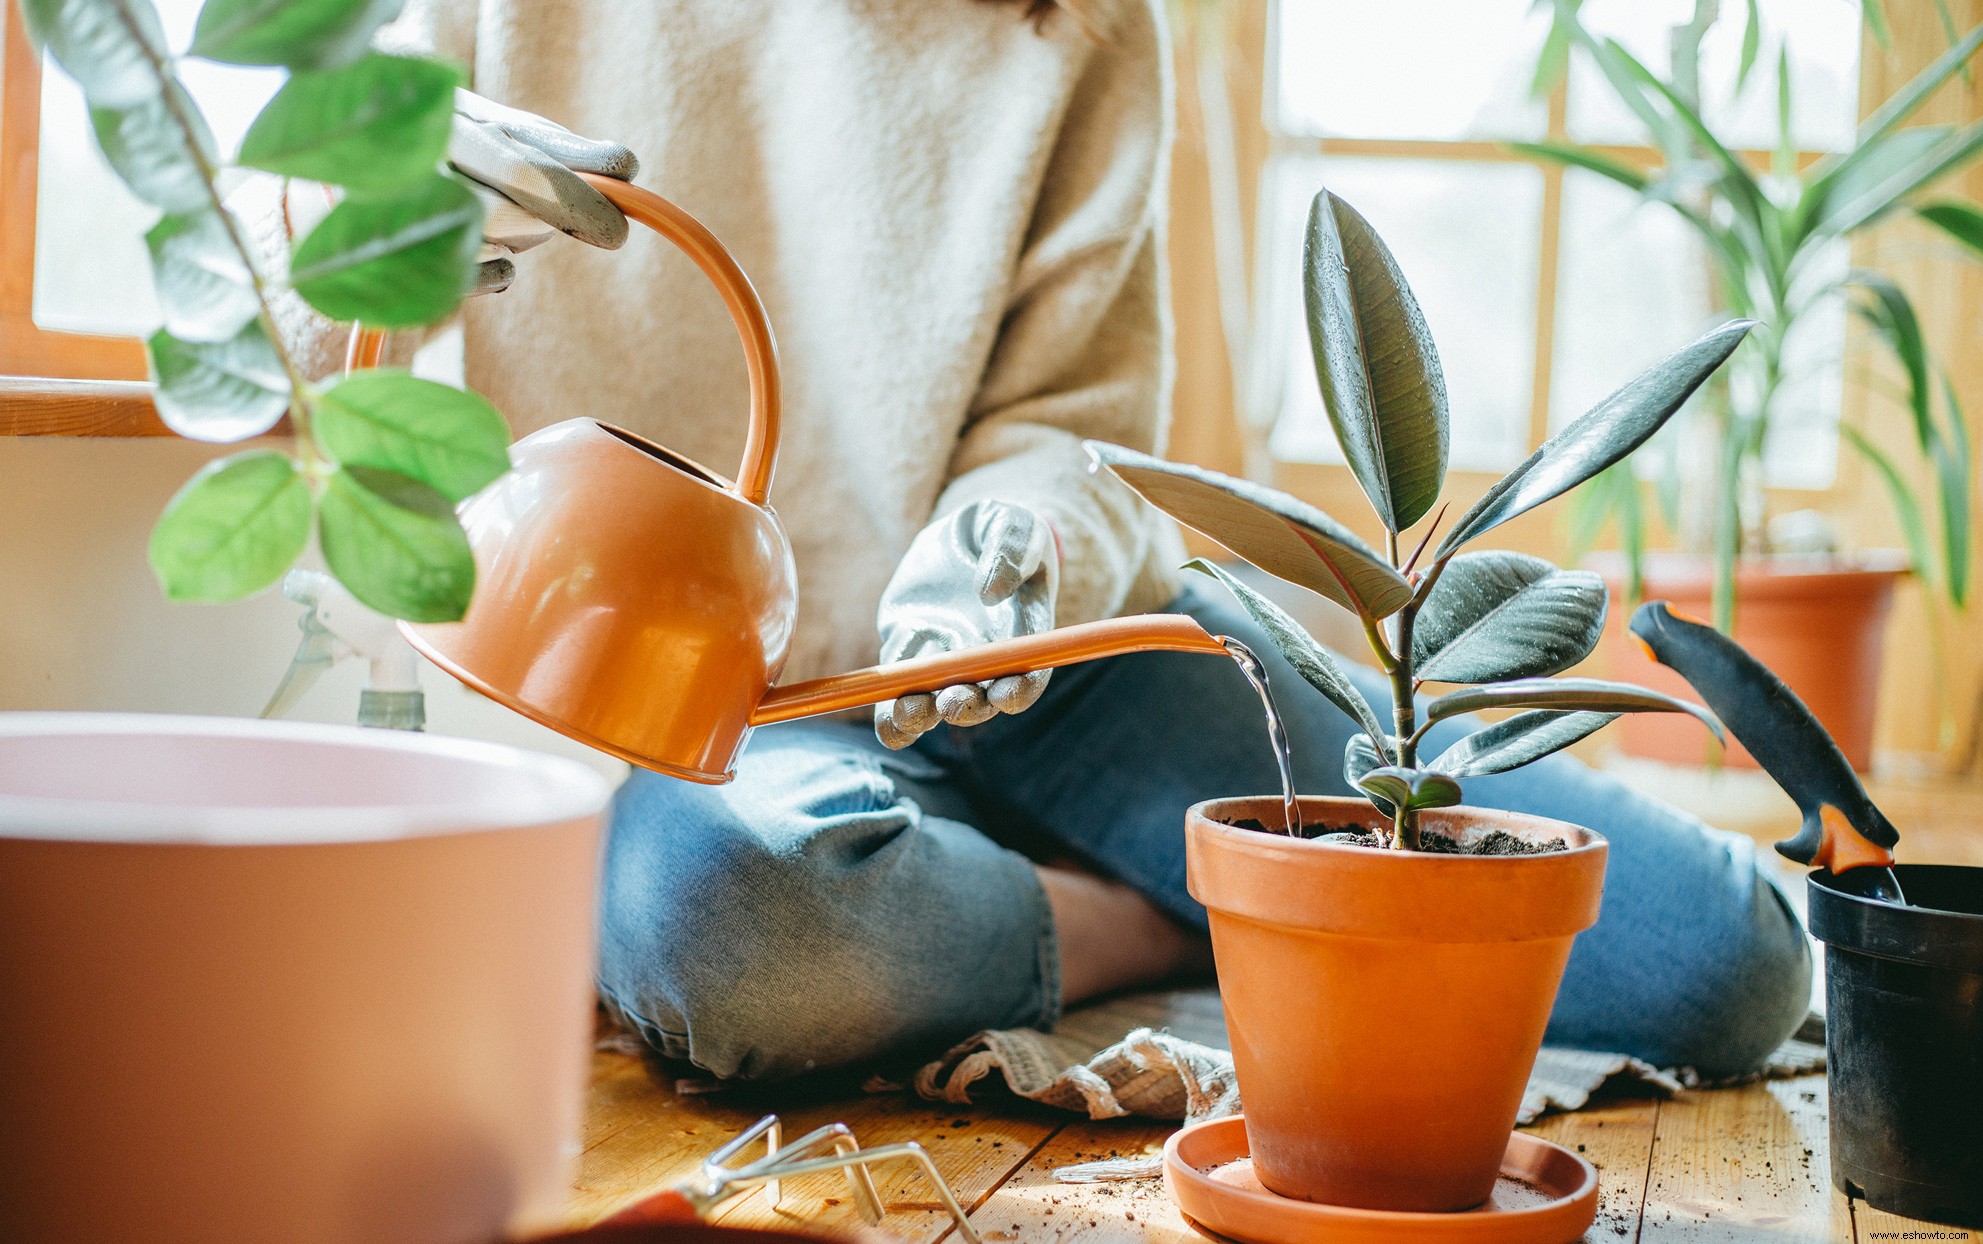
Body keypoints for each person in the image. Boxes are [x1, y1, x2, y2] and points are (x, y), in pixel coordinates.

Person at [289, 0, 1811, 1085]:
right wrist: (394, 208)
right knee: (723, 930)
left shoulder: (1075, 26)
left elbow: (1075, 426)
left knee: (1719, 962)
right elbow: (285, 326)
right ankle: (1170, 915)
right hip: (739, 718)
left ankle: (1152, 882)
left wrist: (1005, 548)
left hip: (1054, 662)